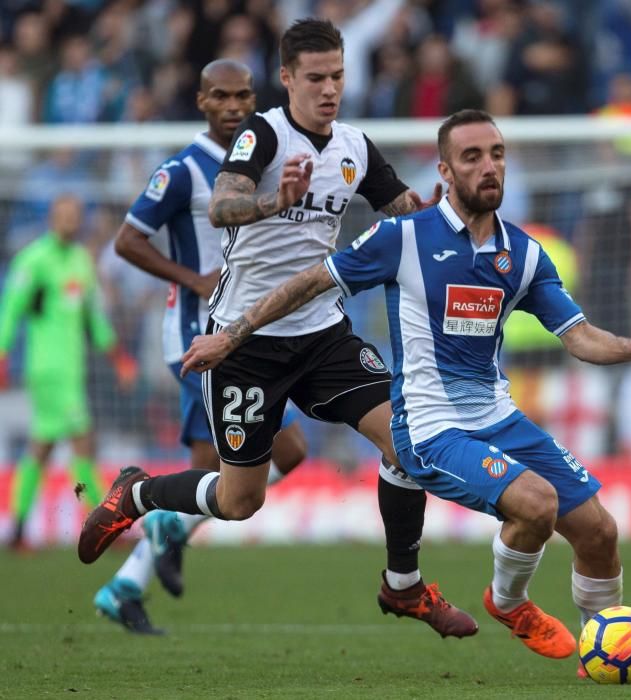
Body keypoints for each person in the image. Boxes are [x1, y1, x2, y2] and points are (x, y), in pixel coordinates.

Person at [178, 109, 631, 671]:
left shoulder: (525, 255)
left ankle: (599, 654)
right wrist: (234, 334)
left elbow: (579, 337)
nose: (489, 167)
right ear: (445, 169)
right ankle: (509, 604)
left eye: (497, 154)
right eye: (472, 157)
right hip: (430, 427)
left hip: (496, 415)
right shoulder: (403, 238)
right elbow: (311, 281)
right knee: (536, 504)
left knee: (600, 531)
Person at [78, 20, 477, 640]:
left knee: (408, 443)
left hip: (323, 333)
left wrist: (441, 212)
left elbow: (405, 213)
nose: (329, 90)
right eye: (315, 78)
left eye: (338, 77)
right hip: (245, 342)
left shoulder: (355, 146)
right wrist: (271, 200)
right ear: (287, 78)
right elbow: (222, 205)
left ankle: (404, 587)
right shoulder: (263, 134)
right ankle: (138, 495)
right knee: (241, 501)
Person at [91, 59, 308, 635]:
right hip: (197, 339)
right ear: (201, 101)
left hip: (245, 334)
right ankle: (157, 535)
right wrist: (193, 280)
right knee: (279, 454)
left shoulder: (259, 159)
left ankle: (128, 582)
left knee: (227, 467)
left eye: (243, 96)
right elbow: (127, 240)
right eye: (222, 96)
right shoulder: (184, 171)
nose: (235, 106)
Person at [0, 194, 137, 550]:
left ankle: (16, 531)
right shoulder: (34, 261)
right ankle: (100, 526)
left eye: (74, 215)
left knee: (41, 448)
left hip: (71, 370)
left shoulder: (80, 261)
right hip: (47, 369)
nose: (69, 221)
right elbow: (10, 311)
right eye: (62, 215)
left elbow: (94, 318)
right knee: (83, 442)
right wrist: (1, 357)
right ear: (51, 218)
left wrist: (118, 358)